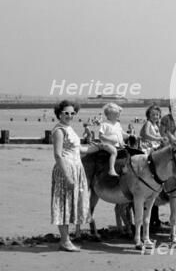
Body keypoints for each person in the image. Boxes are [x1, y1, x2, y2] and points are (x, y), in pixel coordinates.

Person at [50, 100, 100, 252]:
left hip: (77, 168)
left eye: (72, 113)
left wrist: (98, 147)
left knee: (71, 205)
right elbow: (58, 155)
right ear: (59, 114)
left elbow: (79, 150)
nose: (69, 115)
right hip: (65, 170)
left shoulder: (69, 128)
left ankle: (67, 239)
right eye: (66, 113)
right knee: (63, 205)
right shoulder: (59, 130)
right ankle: (65, 241)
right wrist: (68, 177)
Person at [98, 103, 128, 177]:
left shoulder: (118, 124)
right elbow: (100, 136)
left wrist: (128, 135)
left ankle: (125, 167)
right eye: (115, 114)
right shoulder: (105, 124)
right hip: (106, 144)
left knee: (128, 151)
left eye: (118, 114)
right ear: (108, 115)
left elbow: (121, 133)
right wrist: (110, 139)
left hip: (118, 144)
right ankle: (111, 169)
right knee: (113, 151)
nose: (118, 115)